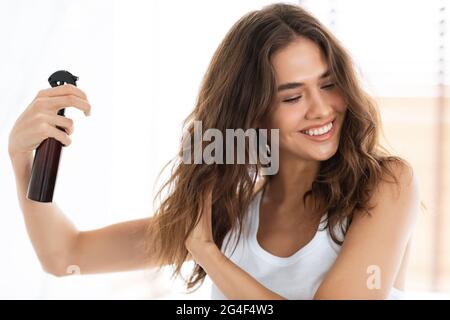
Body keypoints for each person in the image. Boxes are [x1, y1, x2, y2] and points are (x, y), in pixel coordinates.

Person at [8, 3, 420, 299]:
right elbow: (66, 255)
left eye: (328, 84)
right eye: (293, 97)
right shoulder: (227, 213)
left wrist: (210, 256)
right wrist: (20, 157)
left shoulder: (385, 186)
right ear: (252, 115)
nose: (322, 109)